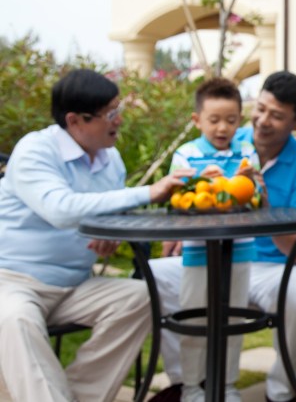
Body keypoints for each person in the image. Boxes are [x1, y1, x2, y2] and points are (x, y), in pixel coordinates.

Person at [0, 68, 191, 402]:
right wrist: (148, 192)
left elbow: (103, 211)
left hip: (74, 284)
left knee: (140, 297)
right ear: (75, 121)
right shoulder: (35, 151)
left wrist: (110, 234)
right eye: (110, 114)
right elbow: (61, 210)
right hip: (13, 281)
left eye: (118, 110)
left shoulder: (110, 159)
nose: (119, 120)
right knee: (15, 318)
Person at [150, 71, 296, 402]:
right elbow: (184, 195)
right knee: (153, 283)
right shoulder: (229, 140)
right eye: (261, 109)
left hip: (271, 265)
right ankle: (184, 383)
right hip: (207, 252)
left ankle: (278, 390)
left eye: (277, 115)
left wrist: (262, 197)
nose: (263, 121)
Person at [168, 77, 260, 402]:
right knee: (195, 316)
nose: (223, 128)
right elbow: (178, 200)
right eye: (214, 120)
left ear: (240, 120)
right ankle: (192, 387)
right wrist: (196, 182)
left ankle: (228, 385)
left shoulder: (247, 153)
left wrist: (251, 184)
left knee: (233, 317)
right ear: (197, 120)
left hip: (240, 249)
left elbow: (257, 199)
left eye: (231, 121)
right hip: (197, 251)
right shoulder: (186, 154)